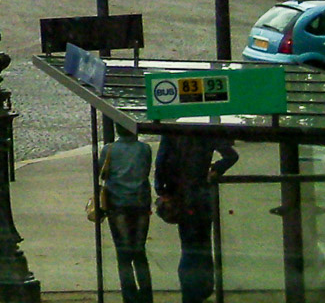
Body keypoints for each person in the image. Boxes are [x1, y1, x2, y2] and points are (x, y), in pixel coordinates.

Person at [156, 130, 238, 303]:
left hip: (181, 196)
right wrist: (216, 169)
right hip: (202, 196)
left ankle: (189, 294)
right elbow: (231, 156)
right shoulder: (206, 132)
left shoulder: (171, 133)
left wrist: (162, 190)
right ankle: (204, 289)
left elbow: (161, 163)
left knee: (188, 247)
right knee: (204, 245)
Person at [101, 129, 155, 303]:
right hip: (140, 203)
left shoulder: (109, 149)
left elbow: (101, 172)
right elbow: (146, 170)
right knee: (139, 251)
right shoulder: (144, 149)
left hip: (118, 204)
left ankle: (130, 296)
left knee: (123, 254)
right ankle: (146, 295)